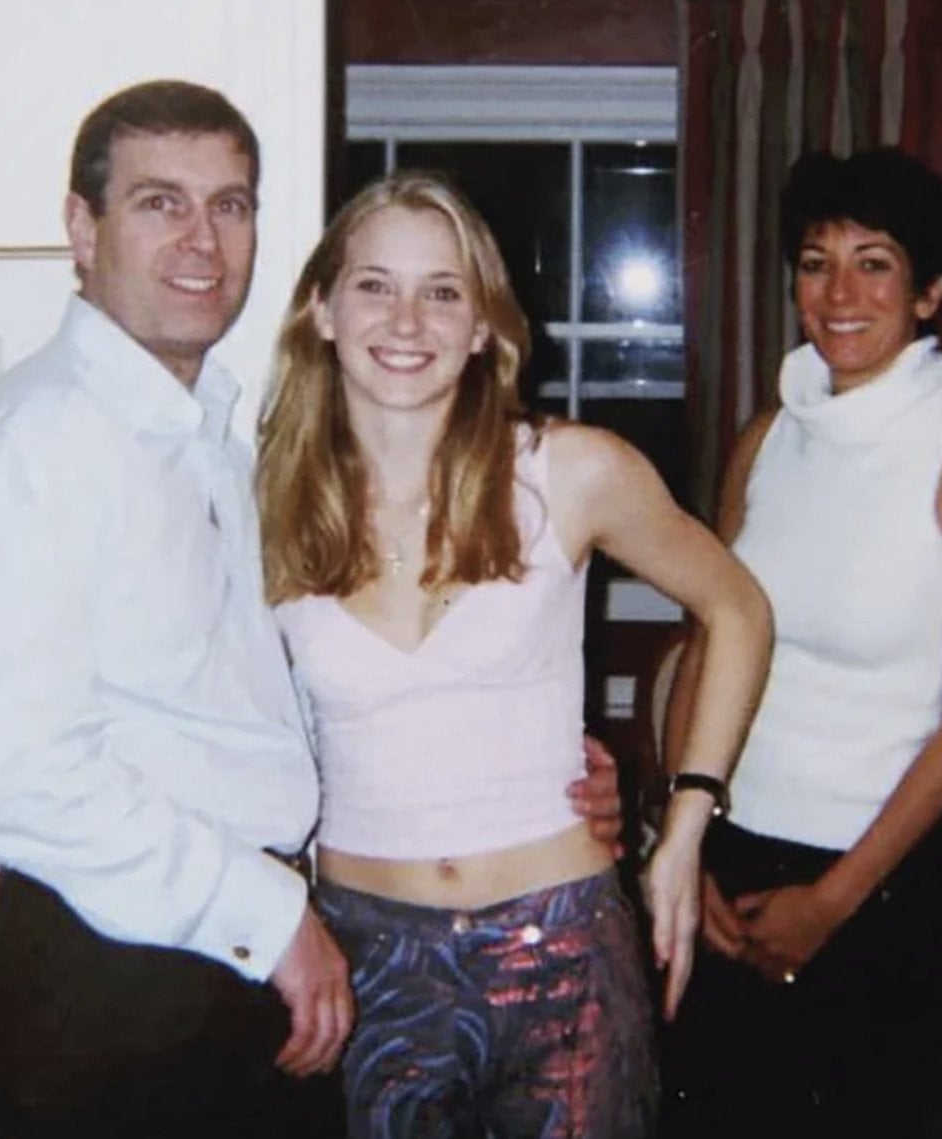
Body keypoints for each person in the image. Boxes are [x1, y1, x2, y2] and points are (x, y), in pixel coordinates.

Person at [256, 170, 772, 1139]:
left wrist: (685, 824)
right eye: (374, 285)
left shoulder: (570, 471)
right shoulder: (266, 505)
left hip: (564, 953)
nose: (406, 320)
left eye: (443, 291)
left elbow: (737, 606)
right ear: (322, 310)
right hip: (365, 962)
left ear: (483, 327)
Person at [0, 79, 357, 1139]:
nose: (204, 241)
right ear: (83, 227)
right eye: (162, 202)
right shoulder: (45, 435)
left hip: (208, 969)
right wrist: (270, 916)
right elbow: (18, 769)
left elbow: (236, 715)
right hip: (117, 991)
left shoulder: (210, 440)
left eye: (230, 205)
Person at [658, 148, 942, 1139]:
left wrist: (834, 902)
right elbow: (707, 643)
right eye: (816, 263)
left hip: (878, 880)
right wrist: (685, 841)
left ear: (930, 293)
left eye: (874, 263)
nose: (839, 293)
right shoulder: (766, 438)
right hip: (729, 862)